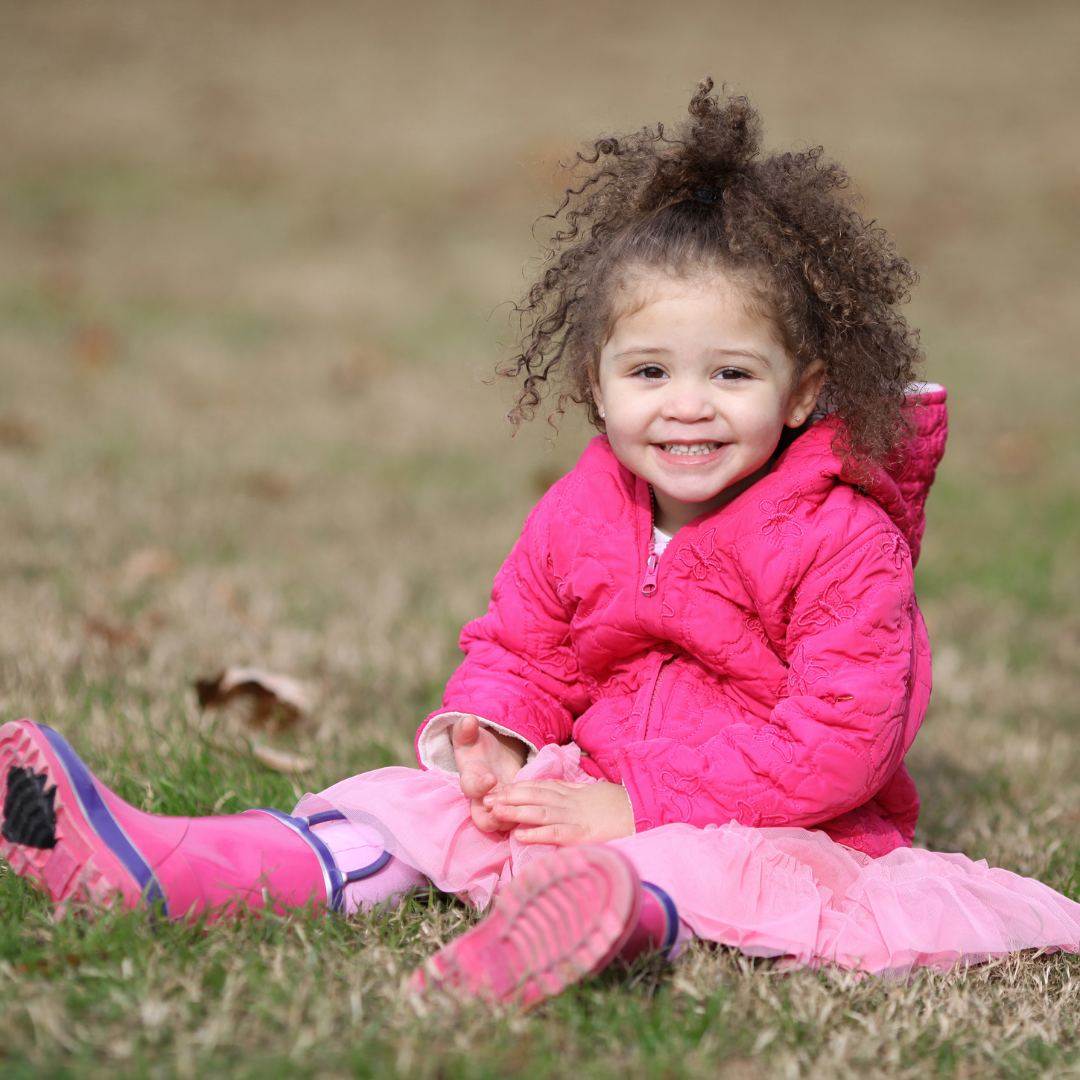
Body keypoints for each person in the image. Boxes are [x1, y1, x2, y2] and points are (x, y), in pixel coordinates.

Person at [2, 80, 1079, 1009]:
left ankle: (590, 931)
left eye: (733, 375)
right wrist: (498, 733)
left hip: (774, 825)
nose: (687, 409)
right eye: (650, 372)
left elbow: (839, 741)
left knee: (695, 872)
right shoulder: (586, 507)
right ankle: (181, 864)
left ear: (801, 392)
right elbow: (525, 640)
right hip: (590, 788)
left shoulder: (843, 538)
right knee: (406, 807)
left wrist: (639, 809)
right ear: (596, 385)